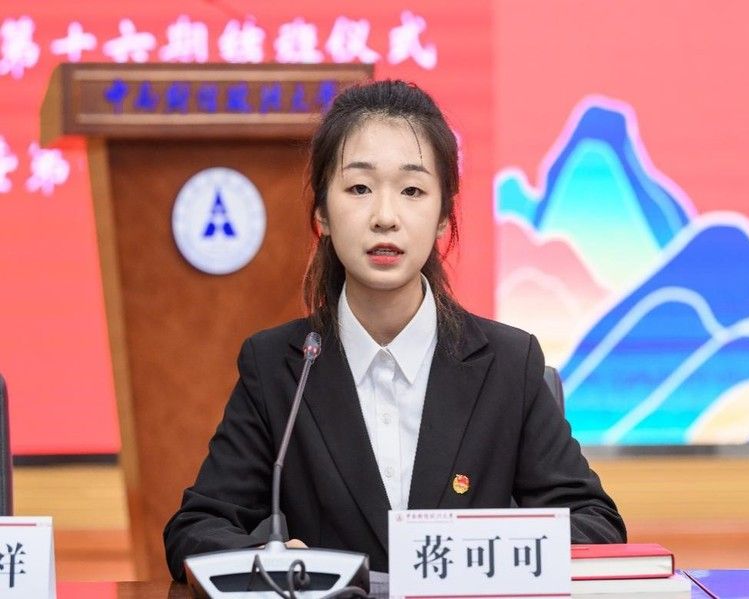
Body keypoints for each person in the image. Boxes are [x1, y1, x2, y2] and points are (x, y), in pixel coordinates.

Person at [163, 80, 626, 580]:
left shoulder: (509, 364)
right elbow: (197, 528)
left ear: (444, 215)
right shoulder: (279, 366)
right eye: (359, 188)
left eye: (412, 191)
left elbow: (596, 526)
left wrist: (479, 554)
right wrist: (276, 563)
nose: (385, 217)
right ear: (322, 212)